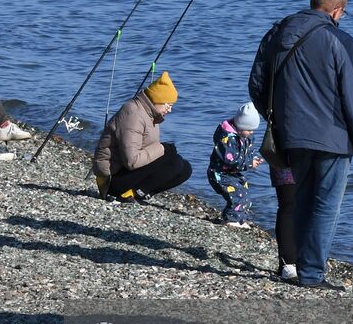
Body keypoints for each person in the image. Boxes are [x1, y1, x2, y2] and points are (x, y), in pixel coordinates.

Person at [248, 0, 353, 290]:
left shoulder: (277, 34)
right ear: (337, 11)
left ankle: (304, 268)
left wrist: (275, 118)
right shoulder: (341, 41)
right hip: (334, 137)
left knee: (303, 200)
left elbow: (256, 83)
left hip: (291, 134)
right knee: (326, 204)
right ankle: (312, 273)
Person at [92, 72, 193, 201]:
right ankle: (133, 194)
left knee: (185, 168)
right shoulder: (133, 114)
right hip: (112, 179)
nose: (170, 110)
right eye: (168, 105)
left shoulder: (151, 115)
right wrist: (162, 149)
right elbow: (132, 161)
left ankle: (140, 193)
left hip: (124, 173)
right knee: (175, 162)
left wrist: (164, 151)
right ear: (157, 99)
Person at [207, 102, 264, 228]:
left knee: (244, 191)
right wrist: (249, 163)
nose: (251, 132)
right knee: (236, 195)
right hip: (220, 174)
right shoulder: (227, 139)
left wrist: (253, 158)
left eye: (253, 130)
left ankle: (241, 218)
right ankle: (231, 219)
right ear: (240, 125)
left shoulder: (245, 137)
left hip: (231, 172)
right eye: (249, 129)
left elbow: (247, 151)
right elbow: (231, 160)